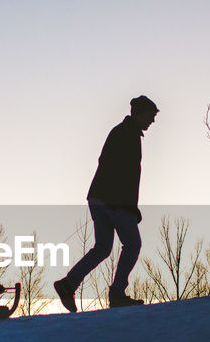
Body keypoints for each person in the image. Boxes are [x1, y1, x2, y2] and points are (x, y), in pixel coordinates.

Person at [54, 95, 159, 312]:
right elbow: (124, 172)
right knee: (132, 244)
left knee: (102, 247)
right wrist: (126, 205)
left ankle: (68, 283)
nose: (153, 121)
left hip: (100, 197)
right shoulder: (128, 134)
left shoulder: (122, 132)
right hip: (114, 200)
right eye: (151, 116)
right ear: (140, 113)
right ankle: (117, 293)